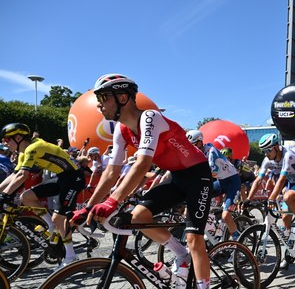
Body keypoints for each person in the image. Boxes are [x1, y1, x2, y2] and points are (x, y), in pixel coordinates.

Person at [70, 73, 213, 288]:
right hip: (175, 176)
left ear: (123, 98)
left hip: (197, 175)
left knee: (194, 239)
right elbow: (111, 171)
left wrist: (112, 201)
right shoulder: (121, 128)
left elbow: (143, 163)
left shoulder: (150, 118)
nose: (99, 106)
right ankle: (180, 253)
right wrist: (88, 206)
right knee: (137, 218)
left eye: (103, 98)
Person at [0, 123, 86, 267]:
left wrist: (4, 195)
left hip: (74, 178)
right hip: (61, 177)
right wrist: (2, 192)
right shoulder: (23, 152)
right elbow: (14, 175)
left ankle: (71, 256)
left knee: (59, 218)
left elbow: (23, 175)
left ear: (19, 137)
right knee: (26, 197)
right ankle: (51, 225)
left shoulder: (33, 148)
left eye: (6, 140)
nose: (4, 143)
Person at [243, 133, 295, 269]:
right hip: (292, 183)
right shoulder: (267, 160)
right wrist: (248, 199)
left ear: (277, 147)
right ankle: (290, 248)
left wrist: (271, 198)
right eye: (263, 151)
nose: (266, 154)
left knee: (287, 197)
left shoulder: (288, 155)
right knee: (285, 216)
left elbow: (281, 180)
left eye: (268, 150)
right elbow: (258, 180)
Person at [188, 130, 242, 241]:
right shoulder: (199, 153)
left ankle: (238, 240)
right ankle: (214, 232)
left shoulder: (211, 151)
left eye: (192, 145)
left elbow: (210, 170)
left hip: (233, 182)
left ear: (199, 143)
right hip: (221, 182)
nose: (190, 149)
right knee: (200, 199)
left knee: (226, 216)